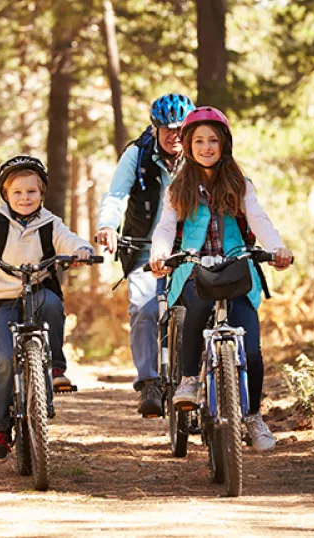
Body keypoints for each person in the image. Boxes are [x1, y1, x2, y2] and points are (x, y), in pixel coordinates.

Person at [149, 106, 293, 453]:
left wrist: (276, 249)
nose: (206, 147)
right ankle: (187, 380)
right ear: (186, 145)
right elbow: (167, 227)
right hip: (193, 266)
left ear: (225, 144)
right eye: (198, 140)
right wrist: (160, 254)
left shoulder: (239, 184)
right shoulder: (177, 188)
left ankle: (254, 416)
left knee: (253, 348)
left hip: (236, 268)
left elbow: (258, 219)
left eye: (213, 140)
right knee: (195, 307)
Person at [0, 155, 94, 461]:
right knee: (4, 358)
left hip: (38, 290)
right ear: (6, 195)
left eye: (31, 192)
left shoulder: (50, 223)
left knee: (54, 306)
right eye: (17, 192)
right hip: (1, 298)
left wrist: (82, 250)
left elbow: (69, 241)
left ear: (41, 193)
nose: (25, 198)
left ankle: (56, 368)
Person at [94, 93, 196, 416]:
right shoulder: (136, 155)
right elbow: (116, 195)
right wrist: (109, 226)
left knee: (199, 309)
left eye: (180, 129)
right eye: (166, 128)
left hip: (189, 247)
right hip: (143, 246)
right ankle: (149, 381)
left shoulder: (200, 153)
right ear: (154, 128)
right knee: (144, 308)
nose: (173, 135)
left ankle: (202, 383)